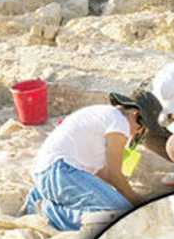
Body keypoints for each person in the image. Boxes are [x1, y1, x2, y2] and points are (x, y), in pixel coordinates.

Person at [24, 93, 146, 231]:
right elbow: (115, 175)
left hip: (46, 175)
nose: (133, 137)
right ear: (136, 115)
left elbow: (103, 174)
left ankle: (39, 199)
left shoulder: (102, 116)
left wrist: (124, 196)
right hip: (60, 171)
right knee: (121, 217)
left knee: (118, 207)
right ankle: (49, 212)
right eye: (139, 132)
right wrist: (137, 203)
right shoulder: (119, 121)